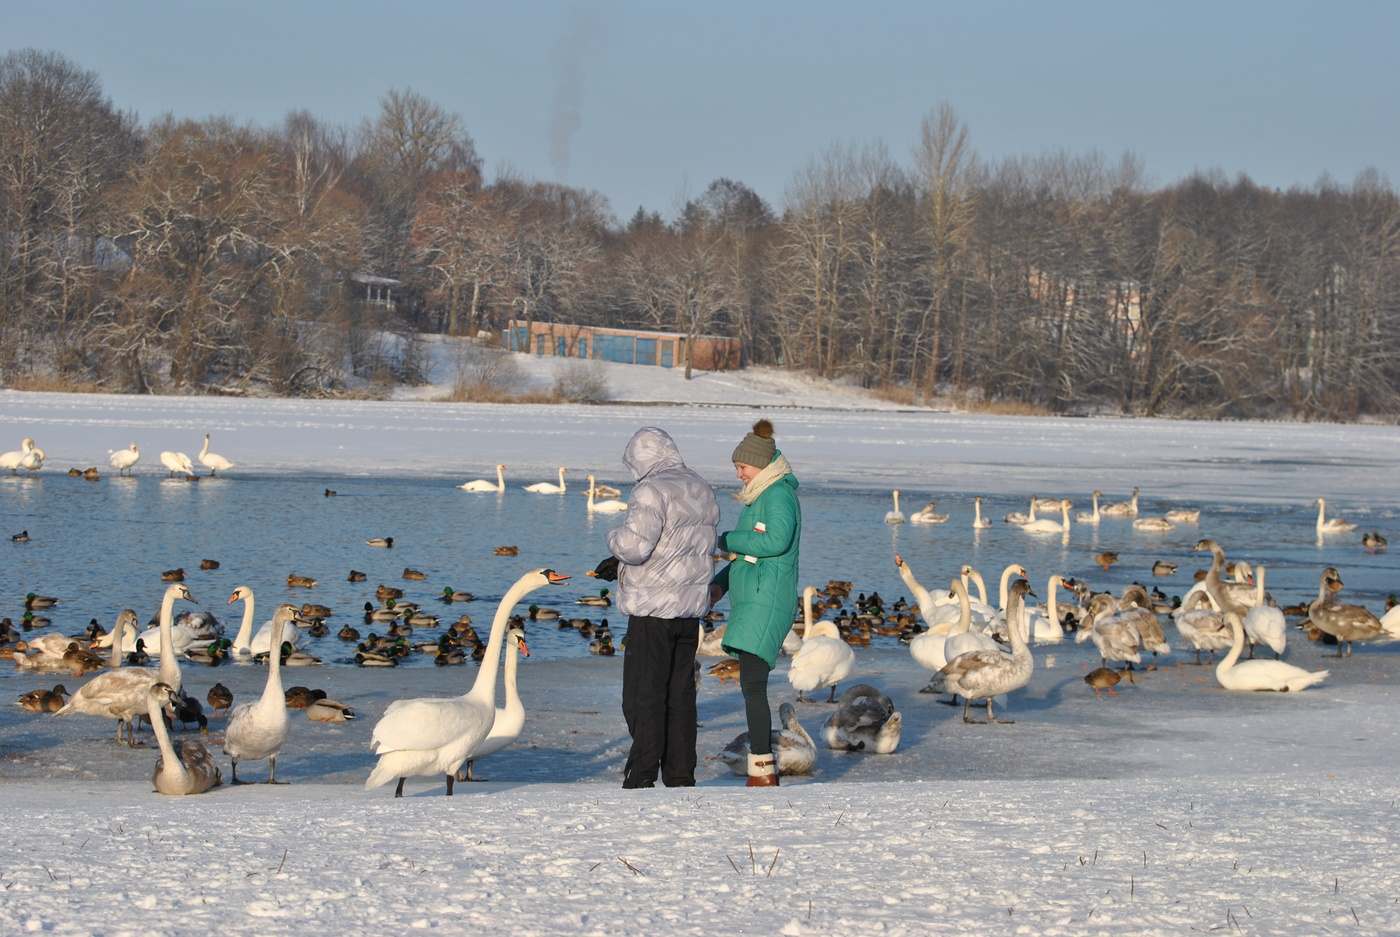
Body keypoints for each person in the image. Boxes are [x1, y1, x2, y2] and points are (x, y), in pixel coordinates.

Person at [596, 426, 719, 789]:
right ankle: (680, 775)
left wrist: (612, 539)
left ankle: (642, 773)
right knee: (680, 694)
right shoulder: (700, 486)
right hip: (689, 611)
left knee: (642, 695)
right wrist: (617, 566)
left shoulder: (652, 489)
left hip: (653, 609)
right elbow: (678, 549)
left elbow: (635, 547)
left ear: (641, 458)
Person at [709, 419, 801, 786]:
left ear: (759, 465)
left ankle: (762, 770)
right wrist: (720, 584)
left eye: (742, 467)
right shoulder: (760, 496)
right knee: (751, 683)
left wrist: (726, 539)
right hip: (753, 601)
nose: (739, 474)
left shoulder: (778, 495)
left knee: (752, 685)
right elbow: (748, 558)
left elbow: (774, 542)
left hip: (768, 602)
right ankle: (761, 767)